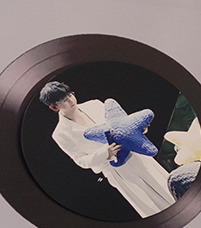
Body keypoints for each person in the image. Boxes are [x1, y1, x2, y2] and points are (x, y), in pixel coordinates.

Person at [40, 81, 175, 218]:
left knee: (168, 187)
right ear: (54, 107)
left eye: (70, 95)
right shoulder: (61, 133)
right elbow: (81, 160)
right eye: (64, 100)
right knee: (151, 206)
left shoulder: (94, 105)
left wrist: (140, 129)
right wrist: (106, 153)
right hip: (115, 168)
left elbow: (124, 124)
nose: (70, 100)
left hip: (136, 154)